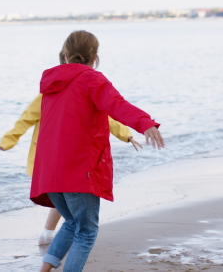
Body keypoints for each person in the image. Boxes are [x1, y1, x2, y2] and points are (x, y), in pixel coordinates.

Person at [31, 30, 165, 272]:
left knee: (72, 222)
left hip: (50, 172)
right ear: (94, 57)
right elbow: (117, 105)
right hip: (78, 170)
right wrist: (145, 123)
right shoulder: (91, 79)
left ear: (65, 54)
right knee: (87, 231)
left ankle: (44, 270)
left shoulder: (51, 83)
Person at [0, 96, 142, 245]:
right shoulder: (47, 95)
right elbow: (25, 119)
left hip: (68, 156)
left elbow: (104, 117)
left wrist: (127, 135)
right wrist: (6, 142)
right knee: (66, 194)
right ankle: (55, 234)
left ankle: (52, 234)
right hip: (49, 158)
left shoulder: (80, 94)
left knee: (65, 194)